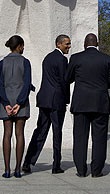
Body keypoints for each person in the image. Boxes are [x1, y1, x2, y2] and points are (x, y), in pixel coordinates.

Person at [67, 33, 110, 178]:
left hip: (81, 103)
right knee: (100, 139)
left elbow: (68, 78)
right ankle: (97, 170)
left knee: (80, 138)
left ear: (84, 43)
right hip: (100, 102)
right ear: (97, 43)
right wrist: (101, 86)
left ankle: (81, 170)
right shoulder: (106, 59)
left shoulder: (76, 58)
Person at [23, 35, 71, 174]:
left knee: (40, 131)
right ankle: (56, 165)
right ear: (59, 44)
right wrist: (66, 99)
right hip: (57, 101)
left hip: (44, 99)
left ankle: (28, 161)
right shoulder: (62, 59)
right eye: (67, 44)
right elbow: (64, 81)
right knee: (57, 133)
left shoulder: (47, 57)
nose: (69, 46)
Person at [0, 35, 32, 178]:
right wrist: (19, 103)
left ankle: (6, 169)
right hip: (20, 102)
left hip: (6, 101)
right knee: (19, 134)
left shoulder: (2, 62)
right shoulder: (25, 62)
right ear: (20, 46)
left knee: (7, 134)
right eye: (22, 46)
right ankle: (17, 169)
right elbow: (27, 83)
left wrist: (6, 103)